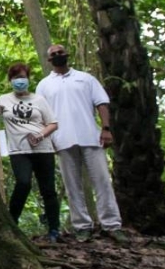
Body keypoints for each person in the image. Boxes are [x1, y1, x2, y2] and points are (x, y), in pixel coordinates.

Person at [36, 44, 127, 244]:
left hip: (90, 137)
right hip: (62, 140)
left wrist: (106, 128)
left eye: (61, 52)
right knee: (72, 185)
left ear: (67, 55)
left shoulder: (86, 79)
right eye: (53, 54)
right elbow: (42, 115)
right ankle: (82, 226)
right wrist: (47, 139)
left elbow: (101, 103)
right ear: (48, 60)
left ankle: (112, 225)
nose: (58, 55)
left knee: (102, 181)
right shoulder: (43, 85)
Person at [0, 63, 60, 242]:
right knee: (23, 182)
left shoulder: (39, 100)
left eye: (23, 77)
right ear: (10, 80)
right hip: (19, 151)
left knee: (48, 190)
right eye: (15, 78)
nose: (19, 81)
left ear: (28, 79)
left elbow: (53, 123)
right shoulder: (4, 100)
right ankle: (12, 222)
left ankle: (54, 230)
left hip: (43, 150)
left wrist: (40, 135)